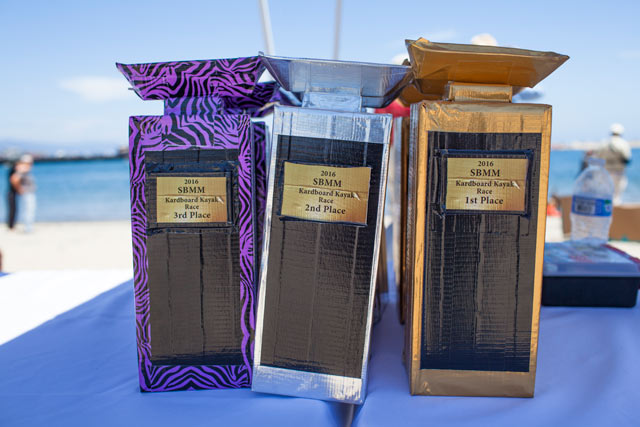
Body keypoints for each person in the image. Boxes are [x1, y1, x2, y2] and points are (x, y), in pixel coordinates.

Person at [594, 123, 632, 205]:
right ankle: (615, 209)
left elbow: (598, 157)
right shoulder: (623, 144)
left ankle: (606, 209)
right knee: (617, 195)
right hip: (619, 172)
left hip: (605, 171)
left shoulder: (604, 143)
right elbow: (627, 159)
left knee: (606, 193)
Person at [9, 154, 37, 232]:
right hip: (27, 192)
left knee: (29, 210)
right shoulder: (22, 169)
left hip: (28, 192)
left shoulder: (24, 169)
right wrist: (19, 189)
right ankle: (28, 228)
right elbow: (14, 179)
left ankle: (28, 227)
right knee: (29, 210)